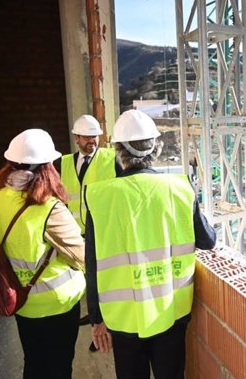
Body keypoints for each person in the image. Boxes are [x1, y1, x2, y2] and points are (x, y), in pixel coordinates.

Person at [84, 109, 216, 379]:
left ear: (118, 151)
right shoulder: (179, 188)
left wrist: (97, 319)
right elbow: (208, 240)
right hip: (171, 310)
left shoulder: (100, 196)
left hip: (123, 316)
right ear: (156, 147)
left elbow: (92, 262)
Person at [0, 129, 85, 379]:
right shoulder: (49, 208)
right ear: (47, 167)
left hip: (19, 299)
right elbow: (82, 256)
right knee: (59, 367)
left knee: (34, 362)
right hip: (58, 304)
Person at [59, 114, 120, 236]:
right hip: (75, 234)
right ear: (77, 138)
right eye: (87, 137)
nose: (92, 140)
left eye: (94, 136)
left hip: (104, 232)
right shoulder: (63, 163)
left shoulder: (112, 158)